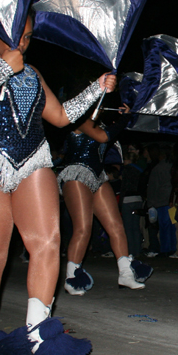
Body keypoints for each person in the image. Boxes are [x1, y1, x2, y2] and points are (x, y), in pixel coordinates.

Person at [0, 17, 113, 355]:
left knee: (47, 244)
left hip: (33, 159)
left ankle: (40, 337)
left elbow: (59, 117)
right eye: (14, 35)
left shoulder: (33, 72)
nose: (22, 43)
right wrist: (2, 70)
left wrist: (95, 89)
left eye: (26, 36)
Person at [57, 105, 148, 296]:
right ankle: (72, 278)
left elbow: (108, 136)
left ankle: (125, 273)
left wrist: (124, 118)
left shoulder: (103, 125)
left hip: (98, 176)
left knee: (116, 226)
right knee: (83, 228)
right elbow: (103, 137)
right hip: (76, 173)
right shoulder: (79, 120)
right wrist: (124, 120)